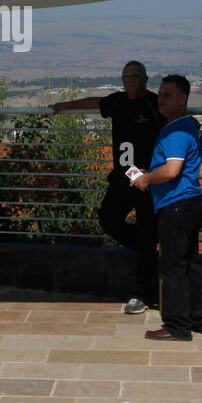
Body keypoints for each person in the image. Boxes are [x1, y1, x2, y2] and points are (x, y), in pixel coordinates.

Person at [52, 60, 162, 313]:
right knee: (109, 219)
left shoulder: (154, 104)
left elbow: (178, 130)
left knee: (147, 235)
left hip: (148, 181)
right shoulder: (118, 101)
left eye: (134, 76)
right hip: (123, 177)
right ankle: (149, 247)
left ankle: (143, 293)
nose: (129, 80)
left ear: (145, 79)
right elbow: (93, 102)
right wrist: (62, 106)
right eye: (125, 77)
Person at [130, 75, 202, 340]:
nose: (160, 99)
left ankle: (177, 326)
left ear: (183, 99)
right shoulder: (188, 127)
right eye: (160, 94)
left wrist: (146, 179)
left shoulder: (176, 130)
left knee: (172, 267)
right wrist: (151, 173)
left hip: (176, 206)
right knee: (191, 264)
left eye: (167, 95)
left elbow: (172, 170)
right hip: (191, 203)